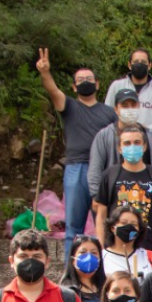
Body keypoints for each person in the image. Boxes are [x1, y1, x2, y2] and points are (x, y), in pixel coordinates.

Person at [35, 48, 115, 265]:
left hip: (103, 169)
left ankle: (107, 266)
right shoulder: (69, 105)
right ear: (73, 86)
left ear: (98, 84)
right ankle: (71, 270)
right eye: (80, 79)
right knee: (74, 225)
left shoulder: (109, 113)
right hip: (76, 168)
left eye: (89, 79)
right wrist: (45, 73)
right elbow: (52, 90)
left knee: (106, 221)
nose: (85, 82)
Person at [93, 123, 152, 254]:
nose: (132, 146)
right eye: (127, 143)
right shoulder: (110, 175)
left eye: (137, 142)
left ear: (144, 146)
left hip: (148, 250)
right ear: (119, 148)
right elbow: (101, 214)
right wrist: (101, 246)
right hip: (114, 249)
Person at [87, 88, 152, 196]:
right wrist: (96, 195)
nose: (130, 109)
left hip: (146, 197)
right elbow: (95, 169)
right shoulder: (104, 136)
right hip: (114, 198)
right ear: (116, 109)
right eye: (125, 106)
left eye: (133, 105)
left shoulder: (149, 135)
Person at [104, 48, 152, 139]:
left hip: (151, 144)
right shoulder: (116, 86)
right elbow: (107, 115)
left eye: (143, 62)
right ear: (129, 65)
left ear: (149, 65)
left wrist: (146, 131)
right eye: (136, 61)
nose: (139, 64)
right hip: (121, 142)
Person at [60, 236, 106, 302]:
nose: (89, 257)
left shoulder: (107, 286)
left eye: (94, 253)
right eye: (83, 252)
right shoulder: (66, 292)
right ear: (73, 260)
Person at [99, 205, 152, 278]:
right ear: (113, 228)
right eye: (124, 223)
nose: (129, 227)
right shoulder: (102, 258)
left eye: (134, 224)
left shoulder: (149, 257)